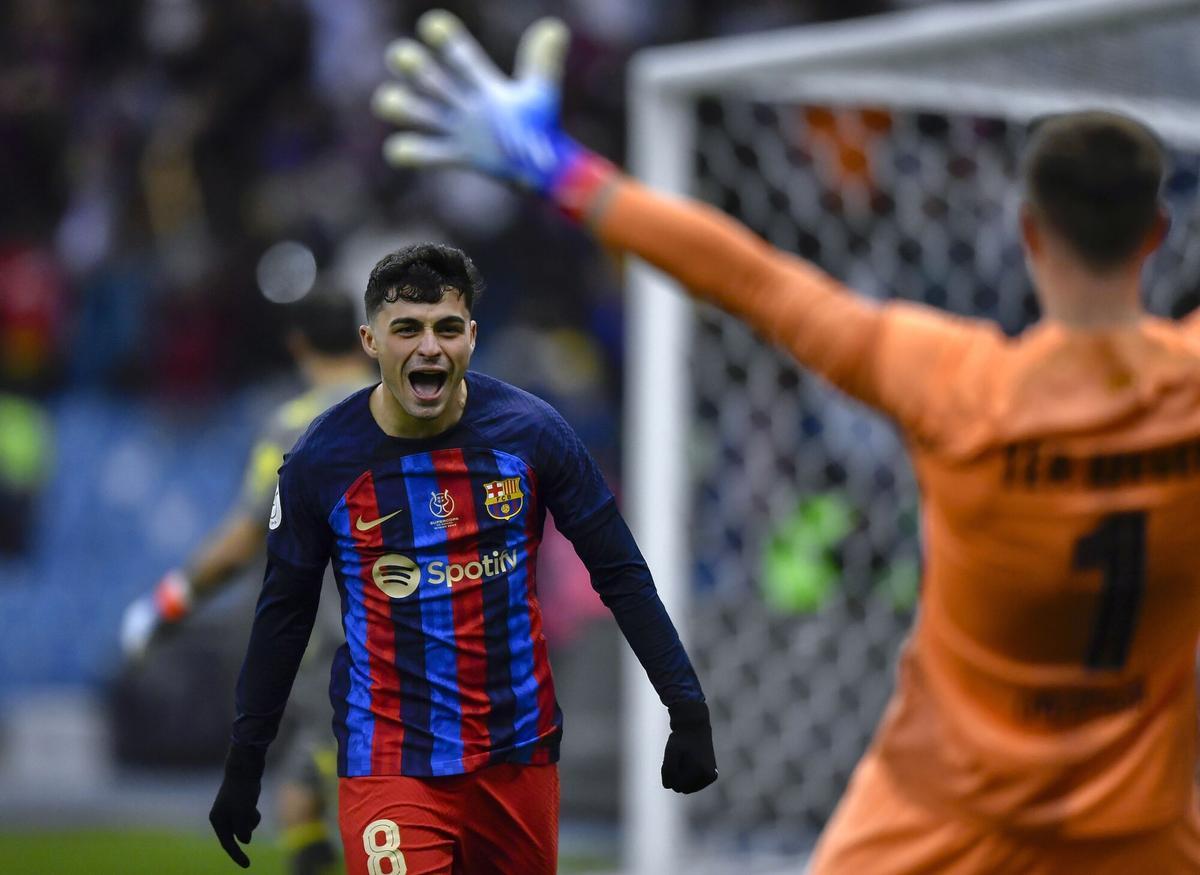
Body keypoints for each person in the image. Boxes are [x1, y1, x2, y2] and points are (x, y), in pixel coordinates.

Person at [371, 11, 1200, 874]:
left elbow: (755, 280)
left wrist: (561, 170)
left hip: (949, 811)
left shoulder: (955, 383)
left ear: (1029, 231)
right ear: (1156, 233)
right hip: (1138, 824)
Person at [207, 242, 718, 873]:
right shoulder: (320, 462)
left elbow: (620, 573)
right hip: (392, 760)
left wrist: (685, 705)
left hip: (517, 754)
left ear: (472, 337)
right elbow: (282, 617)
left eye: (447, 328)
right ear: (370, 342)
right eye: (407, 330)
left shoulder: (533, 434)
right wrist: (245, 762)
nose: (429, 347)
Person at [121, 286, 373, 875]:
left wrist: (168, 602)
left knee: (313, 760)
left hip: (332, 630)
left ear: (298, 343)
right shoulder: (413, 410)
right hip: (423, 617)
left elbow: (242, 538)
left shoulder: (294, 425)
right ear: (366, 338)